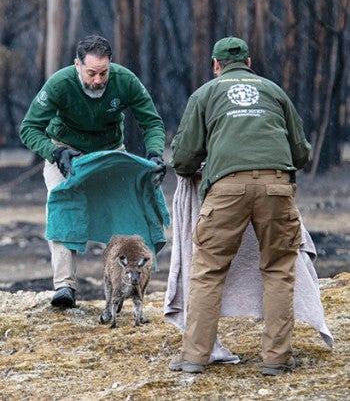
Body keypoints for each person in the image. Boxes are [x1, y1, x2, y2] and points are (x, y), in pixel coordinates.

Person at [168, 37, 311, 376]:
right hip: (277, 187)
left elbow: (184, 158)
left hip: (226, 188)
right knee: (277, 269)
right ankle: (276, 359)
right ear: (249, 63)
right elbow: (301, 153)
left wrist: (197, 166)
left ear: (216, 66)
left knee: (208, 271)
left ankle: (194, 357)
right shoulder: (274, 92)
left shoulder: (204, 94)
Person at [20, 35, 166, 308]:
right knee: (63, 207)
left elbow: (152, 122)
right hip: (65, 153)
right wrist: (55, 153)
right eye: (91, 73)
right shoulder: (59, 84)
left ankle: (124, 287)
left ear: (110, 64)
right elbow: (28, 129)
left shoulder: (126, 81)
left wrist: (155, 153)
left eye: (103, 73)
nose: (98, 80)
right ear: (77, 65)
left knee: (125, 212)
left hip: (110, 153)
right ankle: (65, 286)